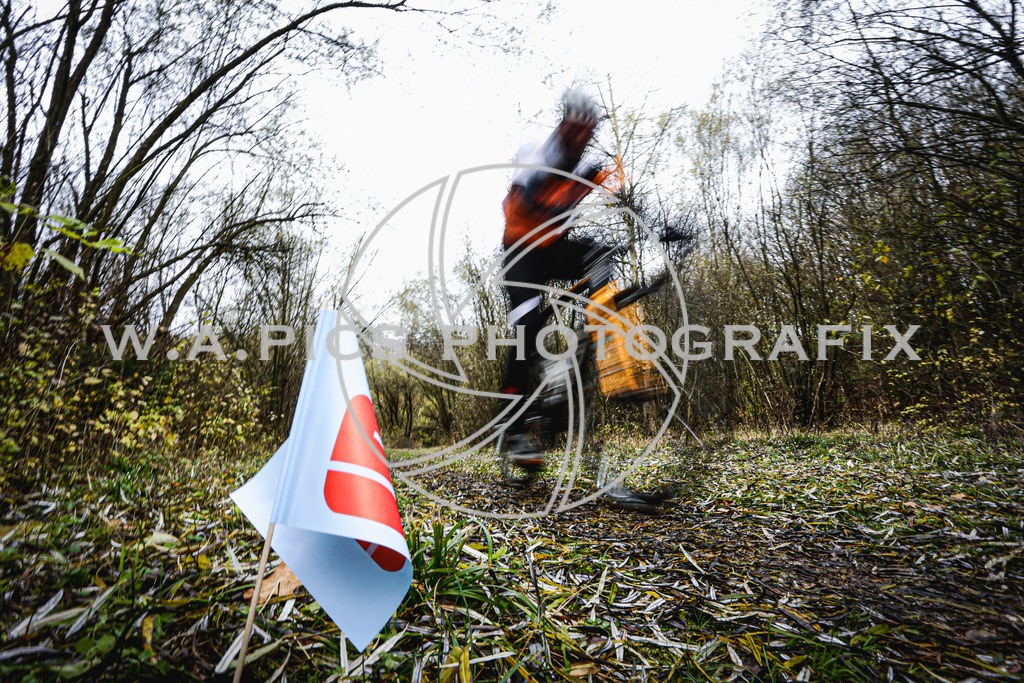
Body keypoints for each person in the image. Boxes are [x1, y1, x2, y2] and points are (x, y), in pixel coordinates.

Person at [498, 90, 620, 471]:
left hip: (552, 251)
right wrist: (553, 195)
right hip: (520, 255)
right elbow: (515, 204)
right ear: (564, 124)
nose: (582, 138)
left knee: (602, 253)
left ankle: (571, 368)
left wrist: (660, 228)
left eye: (589, 132)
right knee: (527, 327)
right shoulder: (538, 153)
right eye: (576, 129)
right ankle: (513, 429)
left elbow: (623, 194)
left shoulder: (585, 168)